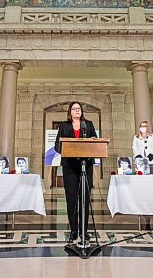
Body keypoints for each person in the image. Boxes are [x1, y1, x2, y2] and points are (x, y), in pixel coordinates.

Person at [55, 101, 97, 243]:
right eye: (74, 108)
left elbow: (96, 143)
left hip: (86, 166)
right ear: (70, 112)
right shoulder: (64, 126)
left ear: (81, 111)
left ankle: (84, 231)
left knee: (84, 199)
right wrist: (69, 149)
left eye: (79, 108)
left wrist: (92, 141)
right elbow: (57, 146)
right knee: (72, 200)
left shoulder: (89, 124)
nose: (77, 110)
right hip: (70, 167)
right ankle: (74, 231)